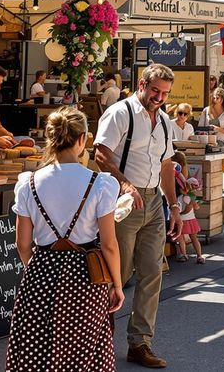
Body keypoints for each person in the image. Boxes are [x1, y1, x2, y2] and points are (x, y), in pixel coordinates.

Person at [93, 64, 181, 369]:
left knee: (152, 273)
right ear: (141, 84)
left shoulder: (166, 121)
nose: (159, 97)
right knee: (118, 274)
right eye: (155, 90)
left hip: (154, 200)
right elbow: (100, 153)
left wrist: (175, 206)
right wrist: (125, 184)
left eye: (165, 93)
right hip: (124, 202)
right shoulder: (120, 112)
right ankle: (99, 339)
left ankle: (140, 343)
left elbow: (167, 165)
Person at [171, 155, 204, 264]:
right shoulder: (191, 198)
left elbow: (179, 210)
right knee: (194, 238)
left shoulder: (182, 198)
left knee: (181, 238)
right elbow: (195, 207)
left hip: (182, 220)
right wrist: (195, 205)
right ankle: (199, 255)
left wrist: (176, 217)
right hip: (191, 220)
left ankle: (184, 254)